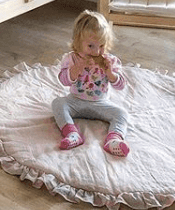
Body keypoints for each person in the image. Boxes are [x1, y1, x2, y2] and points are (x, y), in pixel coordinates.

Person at [52, 10, 130, 157]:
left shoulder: (110, 61)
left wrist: (110, 73)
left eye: (101, 46)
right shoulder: (72, 59)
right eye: (91, 46)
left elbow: (121, 85)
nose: (97, 52)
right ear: (78, 43)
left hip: (101, 103)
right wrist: (76, 69)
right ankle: (72, 134)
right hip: (75, 101)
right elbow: (63, 80)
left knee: (122, 114)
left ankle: (113, 139)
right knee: (57, 103)